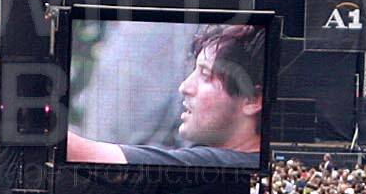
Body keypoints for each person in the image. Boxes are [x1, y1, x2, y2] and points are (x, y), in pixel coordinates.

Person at [64, 17, 267, 167]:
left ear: (253, 99)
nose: (185, 87)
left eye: (205, 75)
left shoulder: (231, 162)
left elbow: (85, 153)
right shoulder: (228, 156)